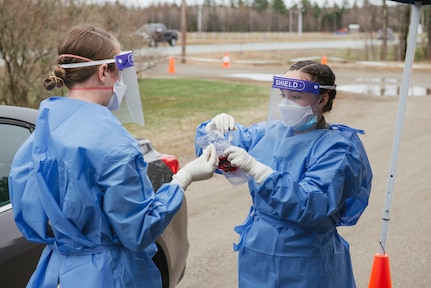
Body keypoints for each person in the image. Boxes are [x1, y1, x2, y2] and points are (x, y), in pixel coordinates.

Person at [8, 24, 218, 288]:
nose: (121, 82)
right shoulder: (114, 144)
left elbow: (28, 215)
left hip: (55, 272)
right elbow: (139, 230)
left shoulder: (41, 132)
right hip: (107, 275)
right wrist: (183, 179)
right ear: (104, 72)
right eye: (119, 71)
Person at [195, 60, 372, 287]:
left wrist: (260, 172)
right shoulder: (270, 131)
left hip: (307, 259)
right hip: (258, 253)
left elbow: (312, 204)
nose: (287, 104)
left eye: (296, 97)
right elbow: (221, 151)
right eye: (283, 96)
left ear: (322, 99)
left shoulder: (337, 148)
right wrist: (212, 132)